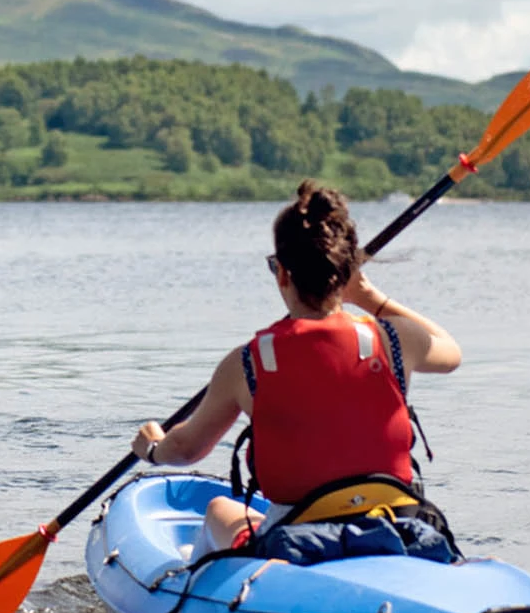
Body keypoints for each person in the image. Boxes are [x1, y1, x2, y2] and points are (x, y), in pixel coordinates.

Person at [129, 181, 461, 554]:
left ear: (283, 274)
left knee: (220, 510)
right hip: (397, 521)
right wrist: (370, 298)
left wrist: (154, 448)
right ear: (346, 272)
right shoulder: (394, 339)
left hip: (299, 533)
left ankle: (203, 594)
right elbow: (451, 351)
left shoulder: (247, 362)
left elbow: (186, 449)